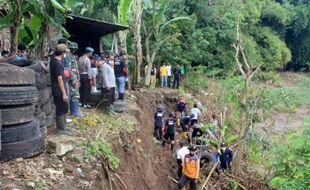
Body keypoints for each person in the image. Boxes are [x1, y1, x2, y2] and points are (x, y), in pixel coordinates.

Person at [50, 44, 70, 135]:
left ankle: (64, 127)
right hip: (59, 90)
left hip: (57, 89)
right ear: (63, 53)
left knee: (63, 107)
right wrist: (64, 93)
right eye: (65, 52)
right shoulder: (58, 63)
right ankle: (60, 129)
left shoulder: (53, 61)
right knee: (61, 108)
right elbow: (59, 79)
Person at [68, 42, 83, 117]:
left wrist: (78, 79)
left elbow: (76, 69)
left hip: (76, 78)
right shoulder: (68, 56)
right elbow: (69, 68)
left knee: (76, 94)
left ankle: (75, 110)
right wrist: (73, 79)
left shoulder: (73, 56)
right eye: (74, 48)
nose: (75, 50)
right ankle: (74, 112)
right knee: (74, 94)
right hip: (72, 79)